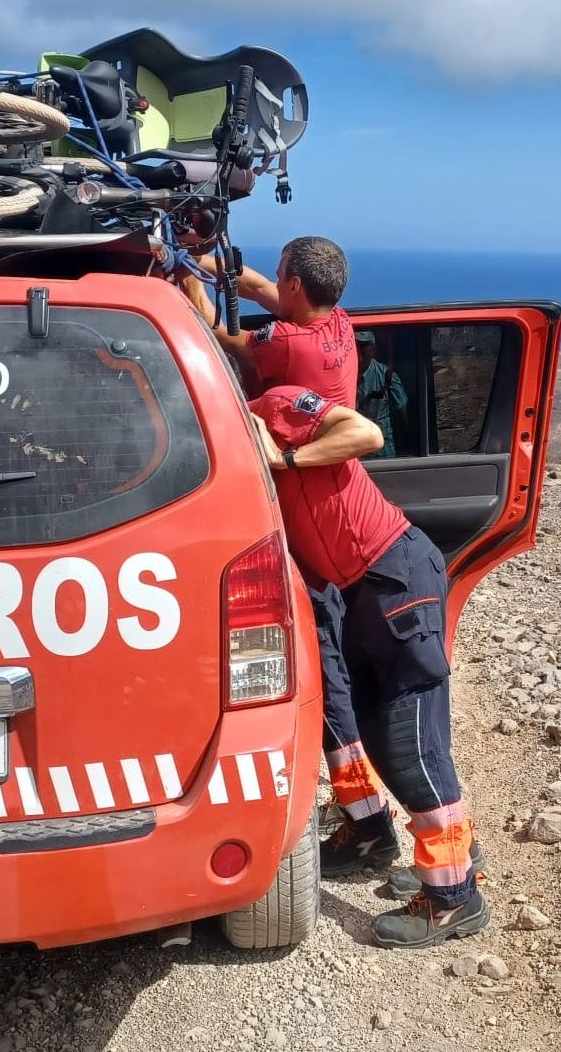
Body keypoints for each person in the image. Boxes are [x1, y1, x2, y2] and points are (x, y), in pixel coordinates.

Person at [176, 237, 400, 883]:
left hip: (307, 536)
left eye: (282, 277)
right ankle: (365, 814)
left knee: (326, 681)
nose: (273, 283)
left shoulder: (285, 345)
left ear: (296, 287)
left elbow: (223, 339)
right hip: (334, 535)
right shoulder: (334, 325)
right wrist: (204, 260)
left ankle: (365, 823)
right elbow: (255, 286)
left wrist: (187, 285)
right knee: (335, 675)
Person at [247, 384, 487, 947]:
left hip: (394, 571)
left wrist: (282, 457)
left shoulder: (277, 405)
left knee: (411, 745)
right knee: (379, 734)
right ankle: (423, 855)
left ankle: (453, 896)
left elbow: (366, 433)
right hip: (359, 591)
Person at [182, 236, 355, 405]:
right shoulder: (339, 319)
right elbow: (259, 287)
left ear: (295, 285)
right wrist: (198, 259)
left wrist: (184, 265)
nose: (277, 284)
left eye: (279, 278)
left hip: (285, 434)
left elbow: (219, 334)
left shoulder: (288, 342)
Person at [354, 331, 407, 458]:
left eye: (363, 346)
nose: (359, 351)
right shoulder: (343, 375)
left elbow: (401, 409)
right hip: (355, 446)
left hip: (382, 449)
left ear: (373, 349)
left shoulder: (386, 375)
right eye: (356, 345)